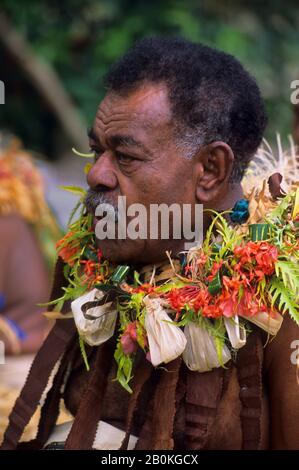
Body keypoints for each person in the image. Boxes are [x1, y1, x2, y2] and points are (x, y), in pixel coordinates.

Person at [2, 37, 299, 451]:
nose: (96, 175)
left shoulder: (278, 301)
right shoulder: (109, 265)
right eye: (96, 151)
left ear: (210, 170)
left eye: (125, 157)